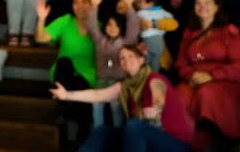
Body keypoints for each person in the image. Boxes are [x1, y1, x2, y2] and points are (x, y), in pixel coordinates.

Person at [50, 44, 194, 152]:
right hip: (146, 137)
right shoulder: (125, 86)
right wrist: (67, 95)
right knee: (102, 132)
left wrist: (157, 107)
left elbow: (158, 93)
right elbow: (98, 95)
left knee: (133, 125)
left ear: (141, 59)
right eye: (122, 59)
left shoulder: (154, 79)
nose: (126, 60)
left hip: (174, 143)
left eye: (130, 56)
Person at [175, 0, 240, 149]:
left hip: (227, 81)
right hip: (194, 79)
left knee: (206, 93)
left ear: (217, 7)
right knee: (180, 95)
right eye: (198, 3)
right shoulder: (189, 33)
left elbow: (239, 67)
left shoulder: (229, 31)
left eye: (207, 2)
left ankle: (225, 140)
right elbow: (181, 63)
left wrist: (211, 75)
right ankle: (189, 143)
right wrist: (191, 75)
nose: (202, 6)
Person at [35, 0, 96, 144]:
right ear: (72, 6)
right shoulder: (65, 21)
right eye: (76, 2)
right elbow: (40, 38)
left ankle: (69, 119)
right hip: (64, 75)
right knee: (64, 62)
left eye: (84, 1)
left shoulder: (98, 25)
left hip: (87, 78)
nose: (80, 5)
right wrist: (42, 18)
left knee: (81, 85)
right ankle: (73, 122)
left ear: (91, 4)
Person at [85, 0, 141, 129]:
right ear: (105, 26)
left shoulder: (126, 41)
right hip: (100, 81)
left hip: (118, 83)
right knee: (96, 110)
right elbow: (91, 26)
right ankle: (97, 135)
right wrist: (94, 7)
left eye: (116, 25)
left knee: (117, 111)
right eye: (109, 24)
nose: (112, 28)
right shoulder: (100, 40)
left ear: (121, 28)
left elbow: (133, 25)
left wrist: (129, 6)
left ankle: (117, 136)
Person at [134, 0, 178, 71]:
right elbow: (171, 17)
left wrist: (153, 24)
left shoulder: (141, 12)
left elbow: (173, 23)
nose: (137, 3)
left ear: (150, 4)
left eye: (140, 2)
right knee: (154, 60)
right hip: (156, 42)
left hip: (151, 41)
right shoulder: (162, 12)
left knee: (148, 61)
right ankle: (153, 75)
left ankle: (150, 75)